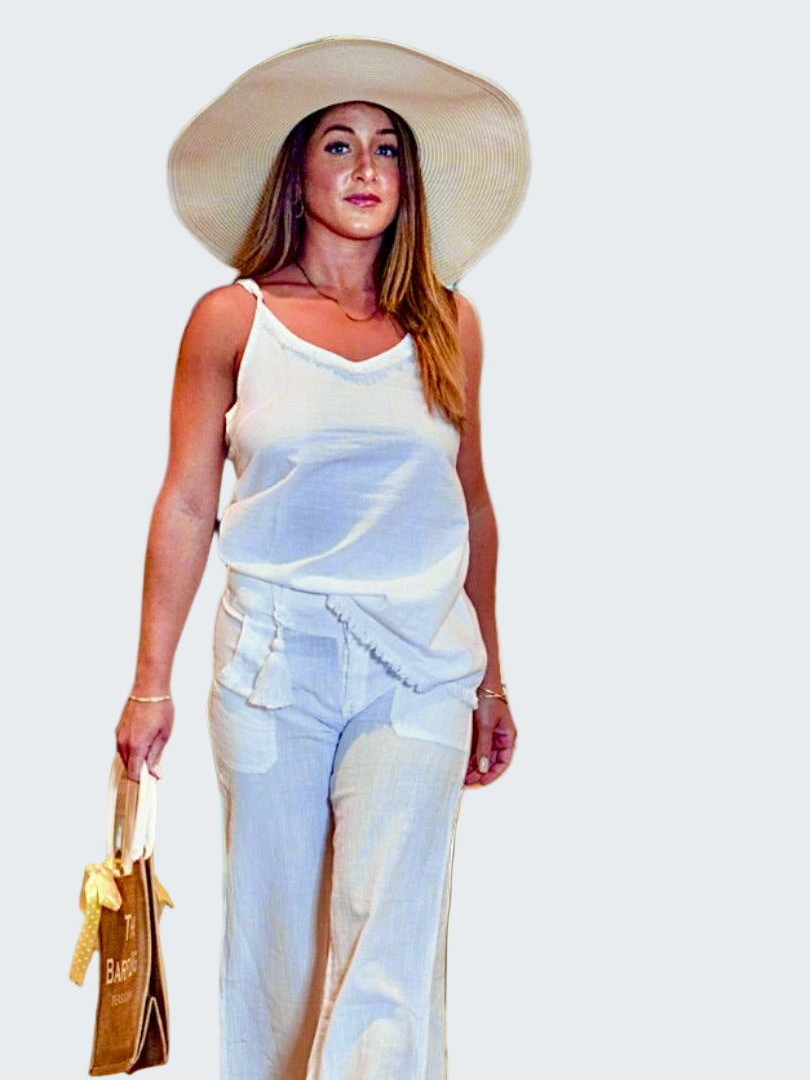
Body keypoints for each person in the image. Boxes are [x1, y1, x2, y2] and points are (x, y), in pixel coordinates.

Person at [113, 37, 529, 1080]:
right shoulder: (231, 321)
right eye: (338, 145)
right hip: (272, 665)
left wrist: (495, 679)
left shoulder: (448, 325)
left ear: (408, 178)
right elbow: (187, 502)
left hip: (422, 667)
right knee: (277, 950)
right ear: (297, 172)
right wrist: (148, 683)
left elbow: (471, 505)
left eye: (387, 149)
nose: (364, 169)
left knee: (388, 942)